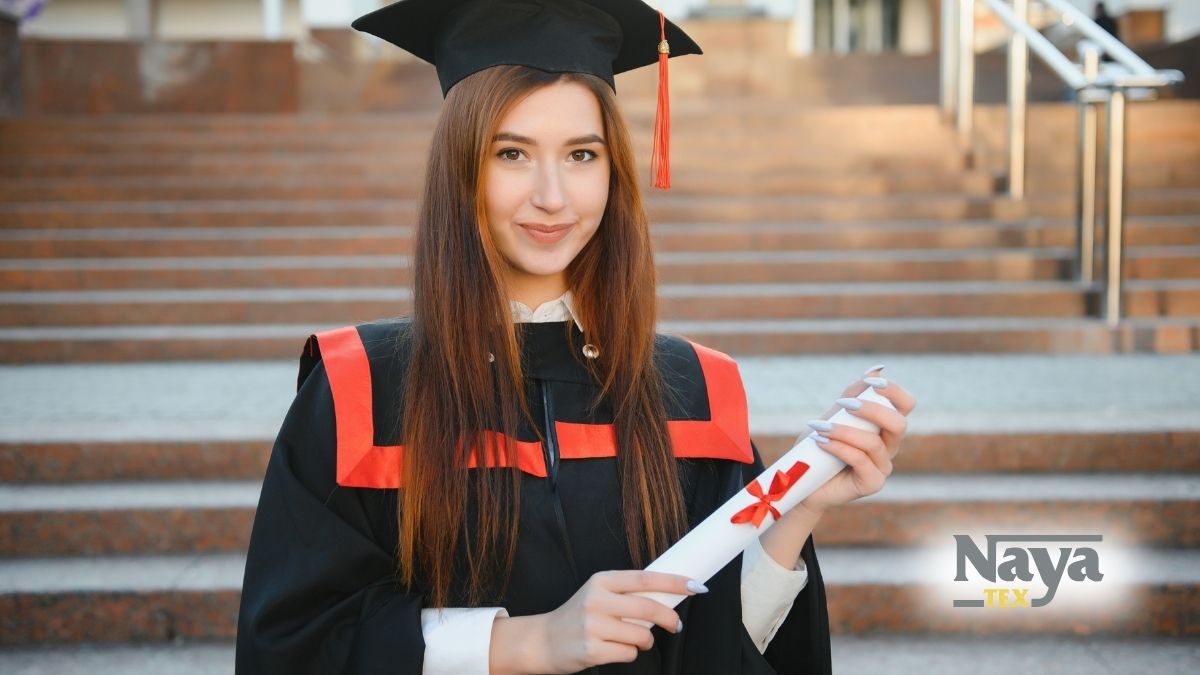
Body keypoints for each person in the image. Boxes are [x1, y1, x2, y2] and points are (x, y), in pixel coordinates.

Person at [234, 1, 916, 673]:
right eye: (513, 153)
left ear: (613, 170)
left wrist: (796, 510)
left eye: (581, 154)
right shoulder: (362, 390)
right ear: (460, 169)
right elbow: (297, 644)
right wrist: (530, 642)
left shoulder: (691, 390)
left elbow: (714, 642)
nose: (553, 196)